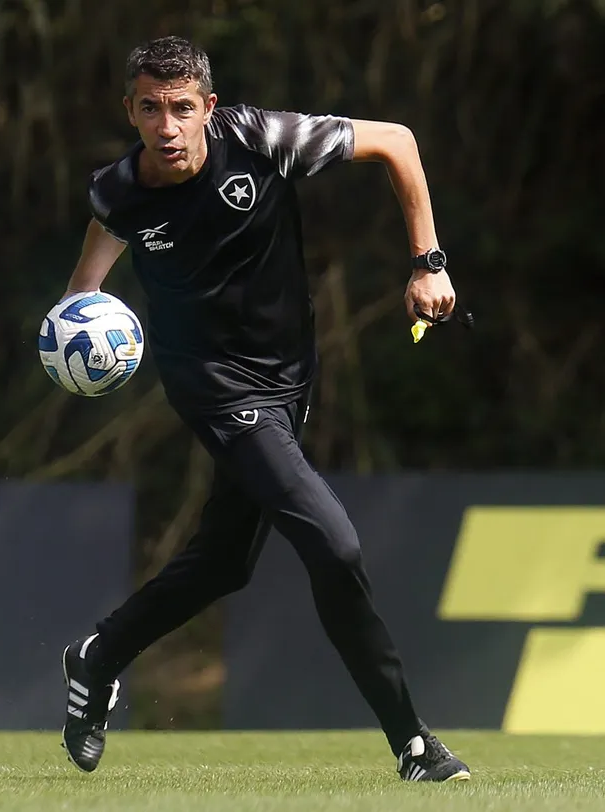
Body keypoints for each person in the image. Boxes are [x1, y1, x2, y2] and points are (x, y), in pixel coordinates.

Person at [59, 35, 470, 783]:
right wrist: (75, 329)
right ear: (131, 112)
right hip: (213, 386)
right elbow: (82, 293)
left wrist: (427, 261)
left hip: (289, 379)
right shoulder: (117, 191)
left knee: (222, 563)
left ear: (208, 109)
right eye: (150, 109)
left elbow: (397, 142)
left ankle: (99, 655)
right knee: (335, 545)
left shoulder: (260, 138)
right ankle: (413, 743)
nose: (168, 125)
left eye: (182, 108)